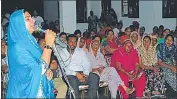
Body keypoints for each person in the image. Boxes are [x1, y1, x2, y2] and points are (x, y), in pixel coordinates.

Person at [6, 10, 56, 98]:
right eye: (27, 19)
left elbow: (40, 65)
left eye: (31, 18)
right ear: (19, 24)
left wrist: (47, 71)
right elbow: (38, 68)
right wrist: (48, 46)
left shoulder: (32, 43)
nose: (33, 20)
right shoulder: (16, 47)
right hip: (24, 94)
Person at [65, 34, 100, 98]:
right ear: (66, 42)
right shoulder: (62, 52)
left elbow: (87, 63)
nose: (73, 44)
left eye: (75, 42)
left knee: (95, 77)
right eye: (71, 41)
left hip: (82, 73)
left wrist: (86, 73)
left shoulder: (80, 51)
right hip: (69, 75)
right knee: (73, 81)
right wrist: (76, 74)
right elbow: (63, 68)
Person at [157, 34, 177, 98]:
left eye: (171, 40)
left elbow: (175, 60)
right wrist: (171, 67)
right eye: (167, 39)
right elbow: (159, 62)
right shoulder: (160, 47)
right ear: (165, 40)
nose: (169, 41)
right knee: (171, 74)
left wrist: (175, 66)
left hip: (172, 65)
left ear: (173, 42)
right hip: (163, 65)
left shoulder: (174, 48)